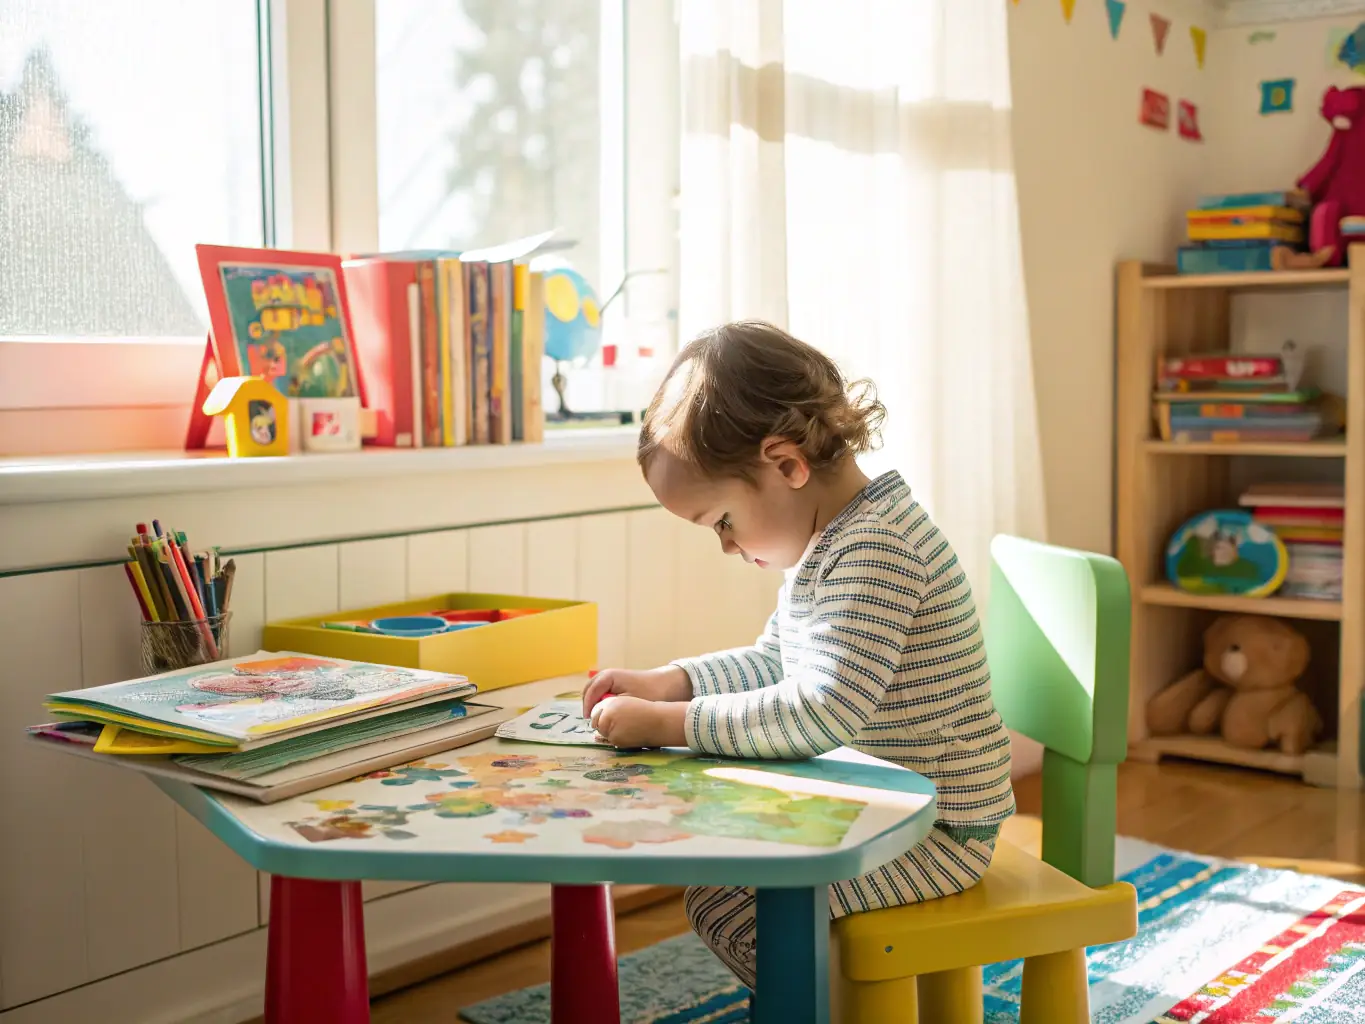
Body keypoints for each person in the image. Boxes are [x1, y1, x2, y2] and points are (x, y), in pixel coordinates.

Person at [580, 320, 1016, 989]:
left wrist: (671, 724)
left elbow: (819, 711)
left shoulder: (876, 549)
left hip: (939, 830)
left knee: (739, 908)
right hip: (890, 807)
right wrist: (672, 683)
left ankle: (837, 1007)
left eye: (721, 520)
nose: (725, 546)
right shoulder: (834, 542)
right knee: (726, 878)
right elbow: (777, 660)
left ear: (786, 465)